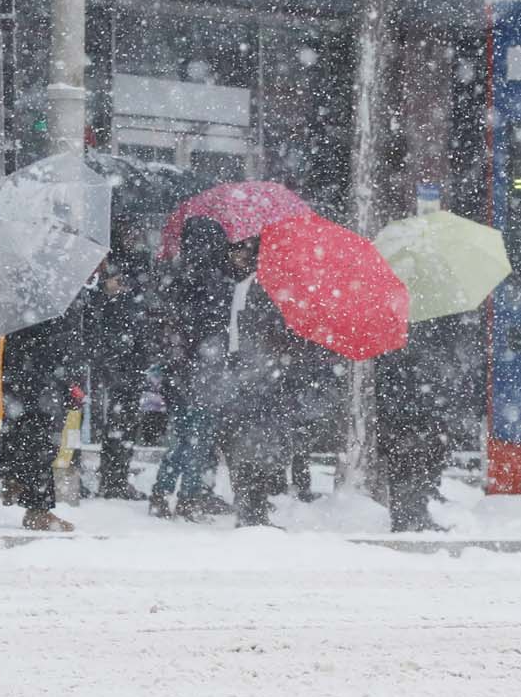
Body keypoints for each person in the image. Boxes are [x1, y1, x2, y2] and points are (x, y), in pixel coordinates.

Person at [211, 234, 338, 528]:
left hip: (252, 376)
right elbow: (267, 334)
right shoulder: (263, 287)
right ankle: (252, 513)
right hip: (261, 378)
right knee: (257, 446)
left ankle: (252, 509)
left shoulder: (249, 285)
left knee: (253, 446)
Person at [151, 218, 235, 520]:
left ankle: (161, 493)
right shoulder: (215, 280)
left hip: (179, 368)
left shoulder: (176, 274)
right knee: (198, 435)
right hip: (203, 369)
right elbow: (215, 325)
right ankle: (188, 496)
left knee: (183, 436)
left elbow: (170, 324)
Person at [376, 312, 476, 532]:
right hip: (409, 410)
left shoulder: (406, 334)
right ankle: (408, 516)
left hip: (413, 408)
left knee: (414, 464)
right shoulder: (413, 339)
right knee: (409, 463)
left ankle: (413, 513)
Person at [0, 295, 86, 533]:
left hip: (29, 372)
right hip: (44, 375)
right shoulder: (55, 289)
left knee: (25, 431)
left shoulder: (34, 289)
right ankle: (37, 508)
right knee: (42, 441)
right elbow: (63, 339)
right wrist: (70, 377)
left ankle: (14, 477)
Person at [85, 222, 157, 502]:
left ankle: (118, 475)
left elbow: (142, 306)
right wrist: (105, 291)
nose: (134, 237)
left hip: (132, 352)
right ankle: (111, 478)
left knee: (126, 419)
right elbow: (91, 309)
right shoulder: (102, 264)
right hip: (111, 353)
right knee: (114, 418)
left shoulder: (139, 264)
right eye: (128, 232)